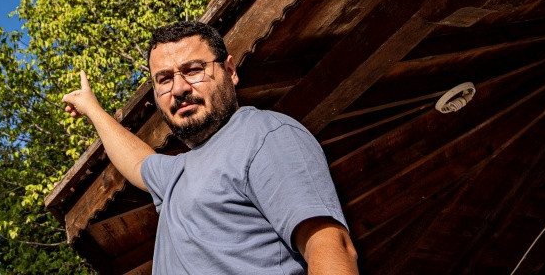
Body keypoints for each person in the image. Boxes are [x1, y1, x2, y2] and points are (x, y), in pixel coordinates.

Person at [62, 21, 359, 274]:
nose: (178, 89)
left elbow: (330, 245)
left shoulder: (264, 135)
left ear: (230, 71)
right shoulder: (178, 174)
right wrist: (93, 109)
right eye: (164, 79)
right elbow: (138, 162)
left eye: (193, 70)